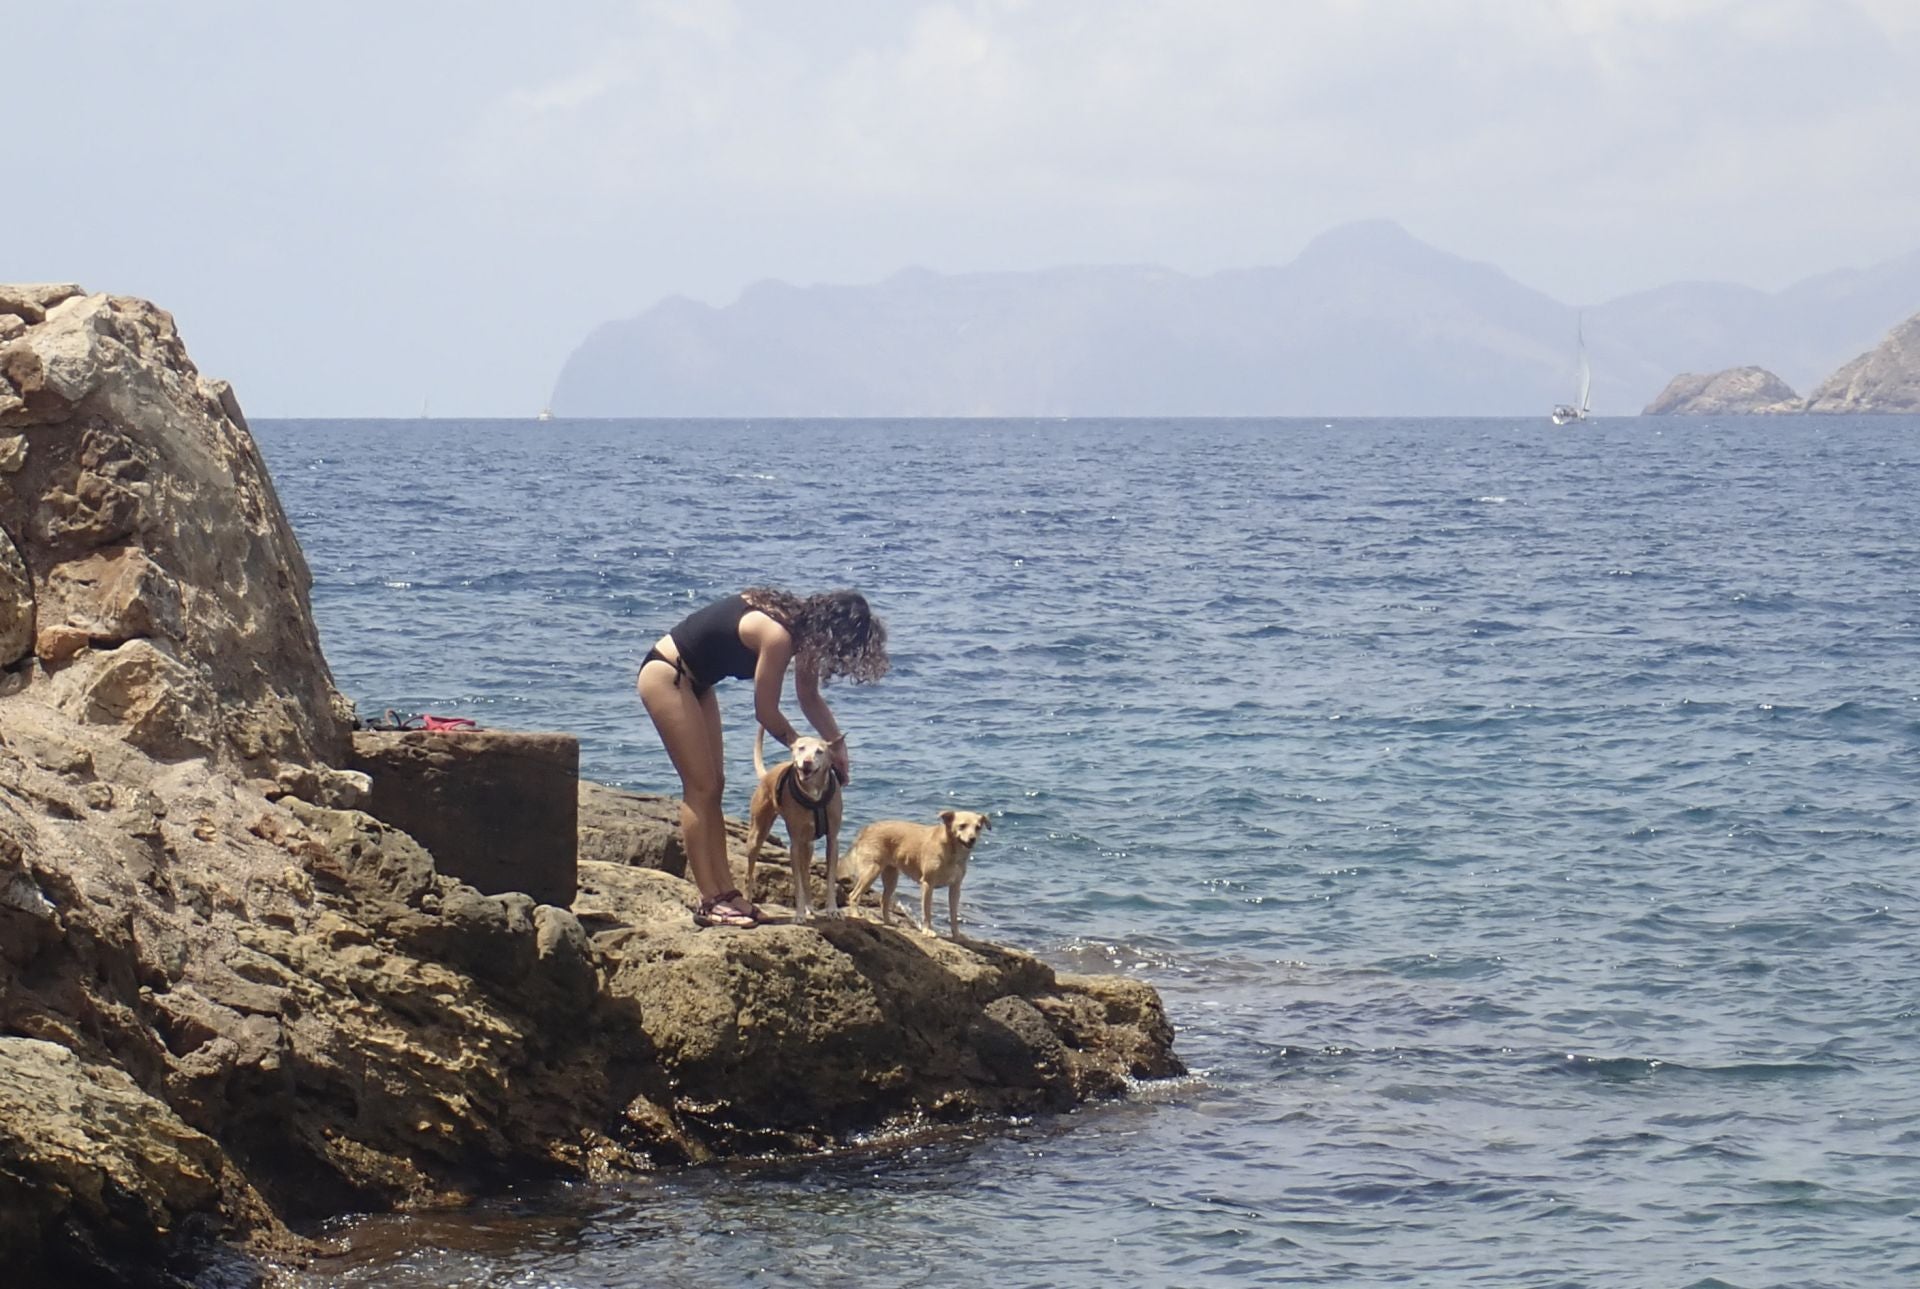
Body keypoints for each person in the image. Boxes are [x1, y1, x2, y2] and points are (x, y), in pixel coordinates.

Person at [637, 586, 889, 927]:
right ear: (831, 632)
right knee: (700, 788)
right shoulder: (779, 634)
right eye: (839, 647)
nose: (835, 655)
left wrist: (836, 747)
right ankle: (710, 899)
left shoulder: (801, 633)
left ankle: (726, 892)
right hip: (668, 674)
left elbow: (809, 697)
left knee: (716, 786)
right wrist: (800, 747)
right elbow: (765, 711)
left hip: (699, 683)